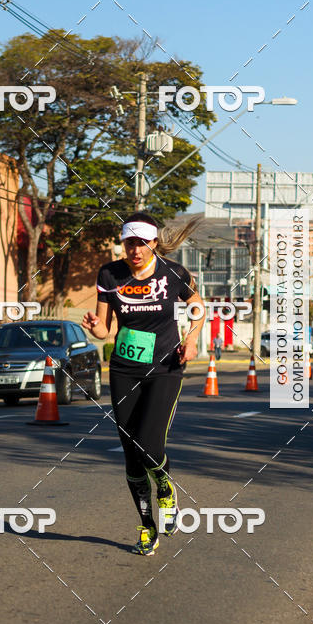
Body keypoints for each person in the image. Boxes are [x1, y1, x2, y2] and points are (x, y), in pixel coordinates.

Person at [82, 212, 205, 555]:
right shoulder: (110, 274)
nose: (134, 250)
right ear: (122, 243)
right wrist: (96, 329)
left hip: (165, 366)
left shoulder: (173, 273)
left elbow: (197, 306)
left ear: (153, 243)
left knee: (149, 445)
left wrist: (192, 339)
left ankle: (165, 486)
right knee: (131, 455)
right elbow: (106, 329)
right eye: (129, 243)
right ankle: (147, 526)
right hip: (124, 368)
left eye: (141, 243)